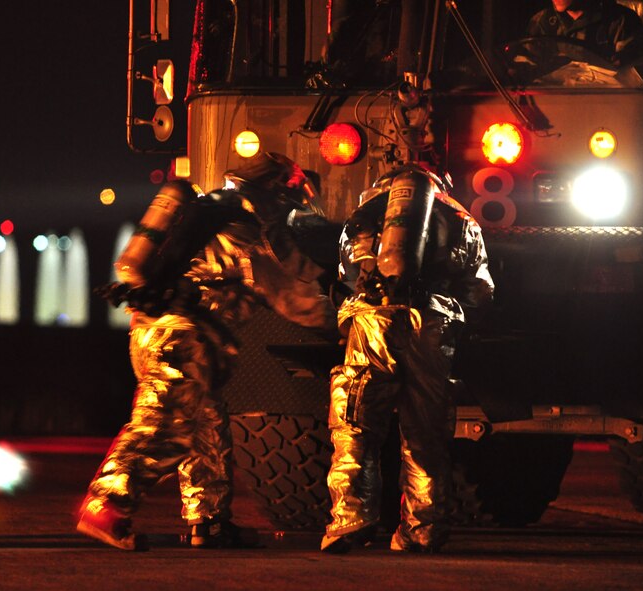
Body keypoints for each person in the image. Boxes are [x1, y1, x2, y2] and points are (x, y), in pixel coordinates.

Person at [77, 153, 338, 551]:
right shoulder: (254, 229)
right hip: (186, 337)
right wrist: (347, 322)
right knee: (164, 427)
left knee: (205, 428)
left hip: (152, 330)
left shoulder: (211, 212)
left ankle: (210, 522)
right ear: (279, 188)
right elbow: (294, 297)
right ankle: (107, 503)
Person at [320, 165, 495, 554]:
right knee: (425, 433)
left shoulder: (366, 214)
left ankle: (350, 519)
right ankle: (422, 528)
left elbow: (348, 272)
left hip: (373, 319)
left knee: (357, 423)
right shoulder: (461, 219)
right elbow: (481, 289)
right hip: (432, 323)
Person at [527, 0, 643, 65]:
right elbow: (529, 64)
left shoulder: (620, 20)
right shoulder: (542, 21)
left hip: (604, 102)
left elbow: (635, 76)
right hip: (556, 101)